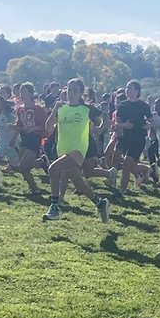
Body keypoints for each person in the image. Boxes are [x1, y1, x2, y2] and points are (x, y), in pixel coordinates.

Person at [43, 78, 110, 222]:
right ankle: (100, 203)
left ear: (80, 93)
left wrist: (99, 130)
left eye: (74, 91)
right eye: (69, 90)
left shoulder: (86, 109)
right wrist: (54, 110)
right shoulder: (61, 108)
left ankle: (54, 207)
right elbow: (48, 128)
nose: (71, 93)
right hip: (63, 150)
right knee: (79, 184)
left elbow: (105, 116)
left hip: (78, 151)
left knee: (52, 169)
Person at [113, 79, 152, 192]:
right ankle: (143, 171)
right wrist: (123, 125)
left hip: (138, 139)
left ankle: (121, 191)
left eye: (130, 88)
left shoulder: (144, 106)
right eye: (126, 88)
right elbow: (117, 123)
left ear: (137, 91)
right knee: (122, 161)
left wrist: (148, 126)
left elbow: (151, 120)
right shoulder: (122, 105)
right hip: (125, 138)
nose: (127, 90)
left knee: (126, 164)